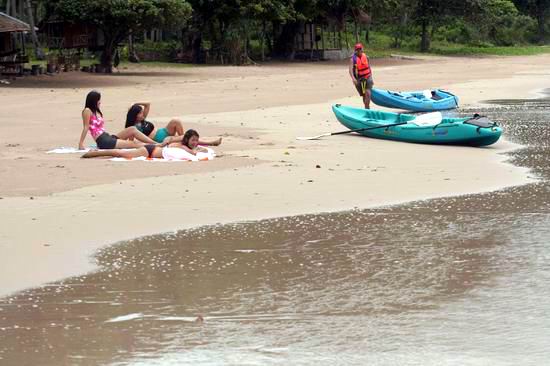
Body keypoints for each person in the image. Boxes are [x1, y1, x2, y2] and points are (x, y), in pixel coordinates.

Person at [78, 91, 159, 150]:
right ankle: (156, 145)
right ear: (93, 101)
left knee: (132, 129)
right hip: (104, 141)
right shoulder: (87, 111)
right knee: (134, 144)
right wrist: (81, 144)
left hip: (108, 137)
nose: (100, 102)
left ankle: (155, 143)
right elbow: (86, 127)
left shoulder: (95, 111)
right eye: (98, 100)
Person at [125, 102, 222, 146]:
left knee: (176, 121)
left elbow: (148, 104)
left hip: (163, 131)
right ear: (135, 115)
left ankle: (184, 141)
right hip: (160, 139)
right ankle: (210, 142)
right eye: (140, 113)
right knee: (188, 137)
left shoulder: (142, 120)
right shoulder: (133, 127)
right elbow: (131, 141)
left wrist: (134, 103)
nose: (143, 114)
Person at [81, 129, 208, 160]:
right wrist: (202, 149)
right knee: (122, 154)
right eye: (193, 140)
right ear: (187, 140)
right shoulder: (184, 146)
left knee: (122, 154)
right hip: (149, 151)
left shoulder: (181, 144)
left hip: (152, 150)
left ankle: (96, 153)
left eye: (196, 140)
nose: (195, 143)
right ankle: (96, 153)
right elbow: (193, 153)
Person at [349, 43, 373, 109]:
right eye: (357, 49)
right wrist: (353, 79)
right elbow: (350, 70)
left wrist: (371, 76)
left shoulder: (366, 57)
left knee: (368, 93)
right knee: (364, 95)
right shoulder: (352, 59)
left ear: (362, 49)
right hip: (358, 79)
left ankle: (367, 110)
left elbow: (369, 67)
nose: (359, 51)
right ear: (355, 50)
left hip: (367, 77)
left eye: (360, 49)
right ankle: (366, 108)